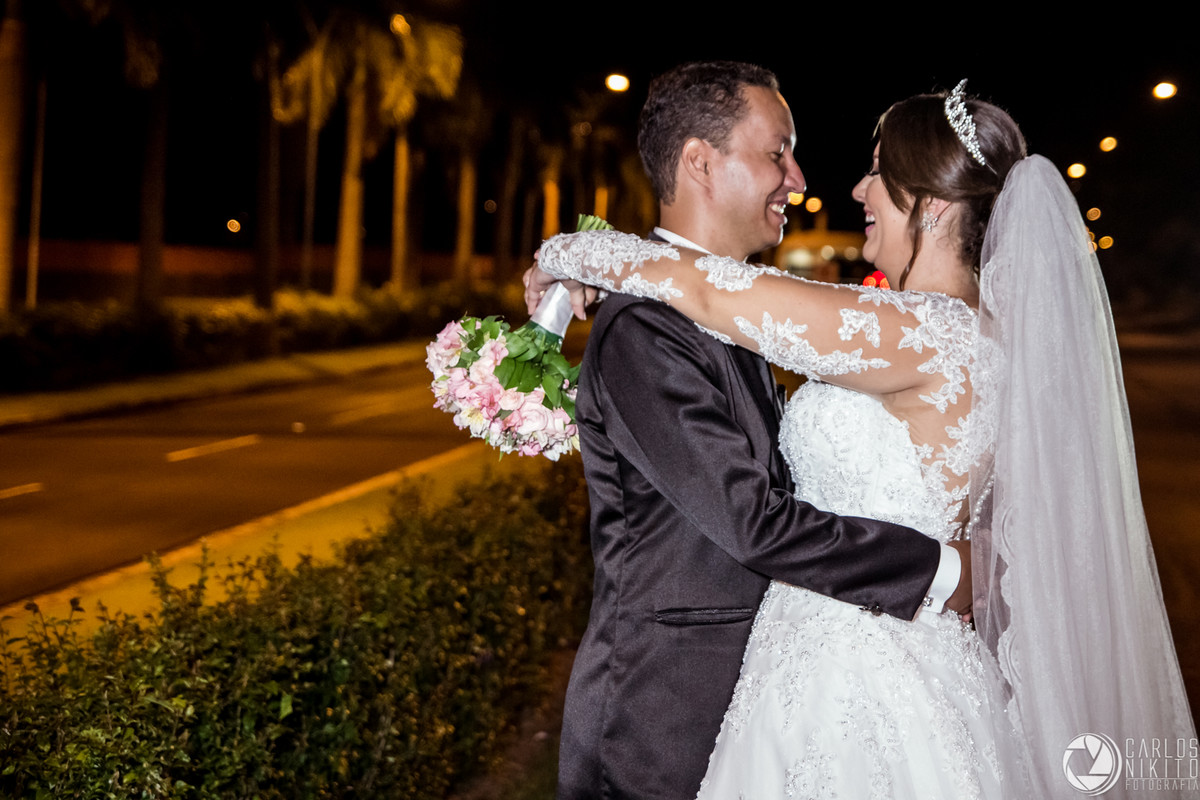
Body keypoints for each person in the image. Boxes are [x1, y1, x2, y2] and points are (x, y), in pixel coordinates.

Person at [529, 82, 1197, 798]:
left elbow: (717, 295)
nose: (856, 187)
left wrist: (570, 255)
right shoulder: (954, 333)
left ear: (931, 205)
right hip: (890, 656)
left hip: (854, 673)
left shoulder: (930, 334)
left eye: (878, 171)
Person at [536, 62, 973, 800]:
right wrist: (941, 573)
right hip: (664, 714)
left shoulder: (735, 314)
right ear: (700, 162)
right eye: (778, 152)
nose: (798, 178)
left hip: (778, 694)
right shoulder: (647, 325)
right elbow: (750, 520)